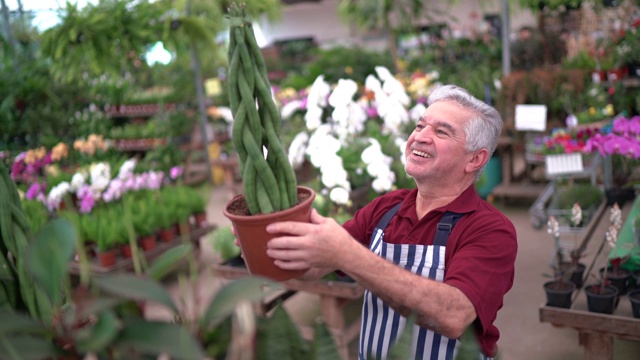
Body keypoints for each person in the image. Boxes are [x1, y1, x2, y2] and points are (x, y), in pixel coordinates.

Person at [264, 84, 518, 359]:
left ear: (475, 159)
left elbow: (454, 315)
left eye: (441, 131)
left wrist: (347, 255)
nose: (421, 137)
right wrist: (264, 242)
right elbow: (312, 266)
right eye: (420, 126)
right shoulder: (387, 208)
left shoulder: (490, 229)